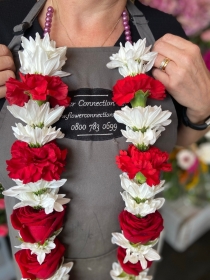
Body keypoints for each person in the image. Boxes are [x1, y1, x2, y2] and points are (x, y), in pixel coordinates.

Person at [0, 0, 210, 279]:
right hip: (36, 259)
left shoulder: (163, 34)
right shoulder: (5, 20)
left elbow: (179, 140)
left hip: (132, 257)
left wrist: (203, 108)